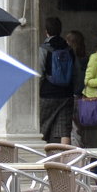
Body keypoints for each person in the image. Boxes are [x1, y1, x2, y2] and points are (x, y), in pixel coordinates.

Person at [39, 16, 74, 145]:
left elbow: (40, 72)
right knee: (64, 130)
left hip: (47, 95)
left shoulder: (44, 48)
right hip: (66, 94)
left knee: (42, 129)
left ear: (46, 31)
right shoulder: (69, 49)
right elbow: (74, 72)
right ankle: (66, 160)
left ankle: (41, 159)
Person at [65, 30, 97, 148]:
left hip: (74, 96)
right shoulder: (87, 58)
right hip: (86, 97)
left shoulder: (71, 59)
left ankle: (78, 156)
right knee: (84, 130)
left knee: (74, 130)